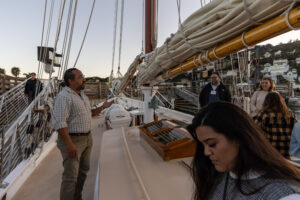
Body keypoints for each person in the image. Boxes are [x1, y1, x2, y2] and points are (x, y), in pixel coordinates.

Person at [187, 102, 300, 200]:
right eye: (202, 145)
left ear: (238, 138)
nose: (206, 152)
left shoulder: (282, 195)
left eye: (212, 144)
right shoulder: (216, 176)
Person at [53, 68, 113, 200]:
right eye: (80, 77)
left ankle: (77, 197)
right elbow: (59, 123)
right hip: (73, 140)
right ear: (70, 80)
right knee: (71, 177)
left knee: (83, 171)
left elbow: (90, 113)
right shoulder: (64, 97)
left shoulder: (82, 95)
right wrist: (69, 144)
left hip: (87, 138)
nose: (84, 79)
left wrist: (104, 106)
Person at [255, 92, 297, 158]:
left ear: (266, 102)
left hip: (270, 150)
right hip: (286, 150)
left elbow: (255, 131)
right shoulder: (290, 114)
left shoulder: (264, 114)